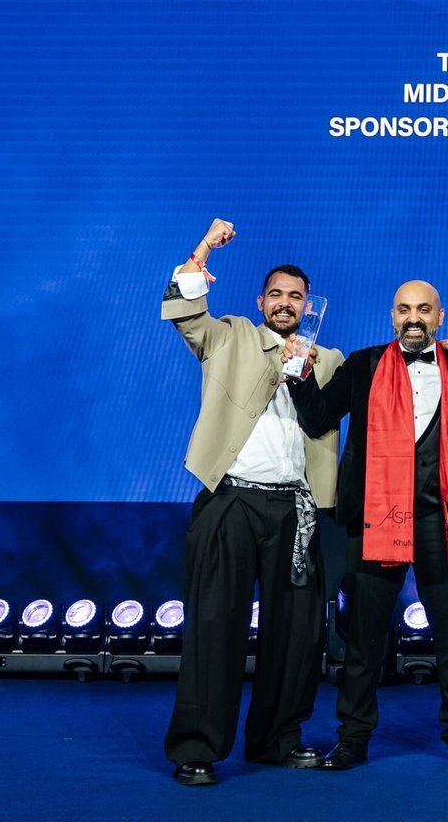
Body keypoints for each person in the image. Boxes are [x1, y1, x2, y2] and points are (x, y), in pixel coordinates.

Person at [161, 218, 343, 786]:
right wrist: (204, 248)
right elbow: (184, 312)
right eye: (276, 295)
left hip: (297, 511)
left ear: (308, 305)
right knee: (215, 625)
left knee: (295, 634)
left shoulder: (327, 360)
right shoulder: (231, 337)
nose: (286, 303)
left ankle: (276, 740)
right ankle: (197, 747)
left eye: (296, 296)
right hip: (230, 503)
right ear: (260, 302)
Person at [288, 280, 448, 770]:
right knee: (363, 638)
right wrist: (299, 373)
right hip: (375, 518)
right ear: (392, 316)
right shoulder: (363, 364)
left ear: (440, 317)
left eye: (423, 309)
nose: (413, 318)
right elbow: (317, 418)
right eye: (404, 309)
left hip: (442, 520)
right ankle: (353, 738)